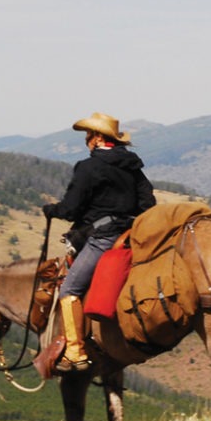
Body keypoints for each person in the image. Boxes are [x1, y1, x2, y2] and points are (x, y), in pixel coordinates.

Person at [43, 112, 156, 371]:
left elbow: (71, 209)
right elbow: (148, 204)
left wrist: (52, 210)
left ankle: (76, 352)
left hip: (103, 240)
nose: (86, 140)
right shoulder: (133, 167)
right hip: (131, 236)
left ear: (96, 137)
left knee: (69, 289)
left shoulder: (89, 167)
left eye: (88, 135)